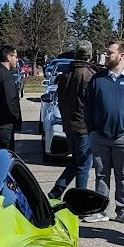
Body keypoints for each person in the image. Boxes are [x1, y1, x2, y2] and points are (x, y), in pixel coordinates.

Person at [85, 40, 124, 225]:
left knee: (123, 175)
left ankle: (123, 211)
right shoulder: (97, 79)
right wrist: (92, 130)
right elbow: (88, 106)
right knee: (101, 174)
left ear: (122, 56)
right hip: (100, 136)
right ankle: (100, 211)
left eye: (110, 53)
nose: (106, 55)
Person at [50, 40, 98, 198]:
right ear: (90, 55)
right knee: (83, 165)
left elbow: (61, 101)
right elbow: (92, 103)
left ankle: (57, 190)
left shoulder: (66, 74)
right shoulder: (89, 75)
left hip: (69, 125)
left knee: (77, 160)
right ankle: (79, 199)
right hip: (84, 127)